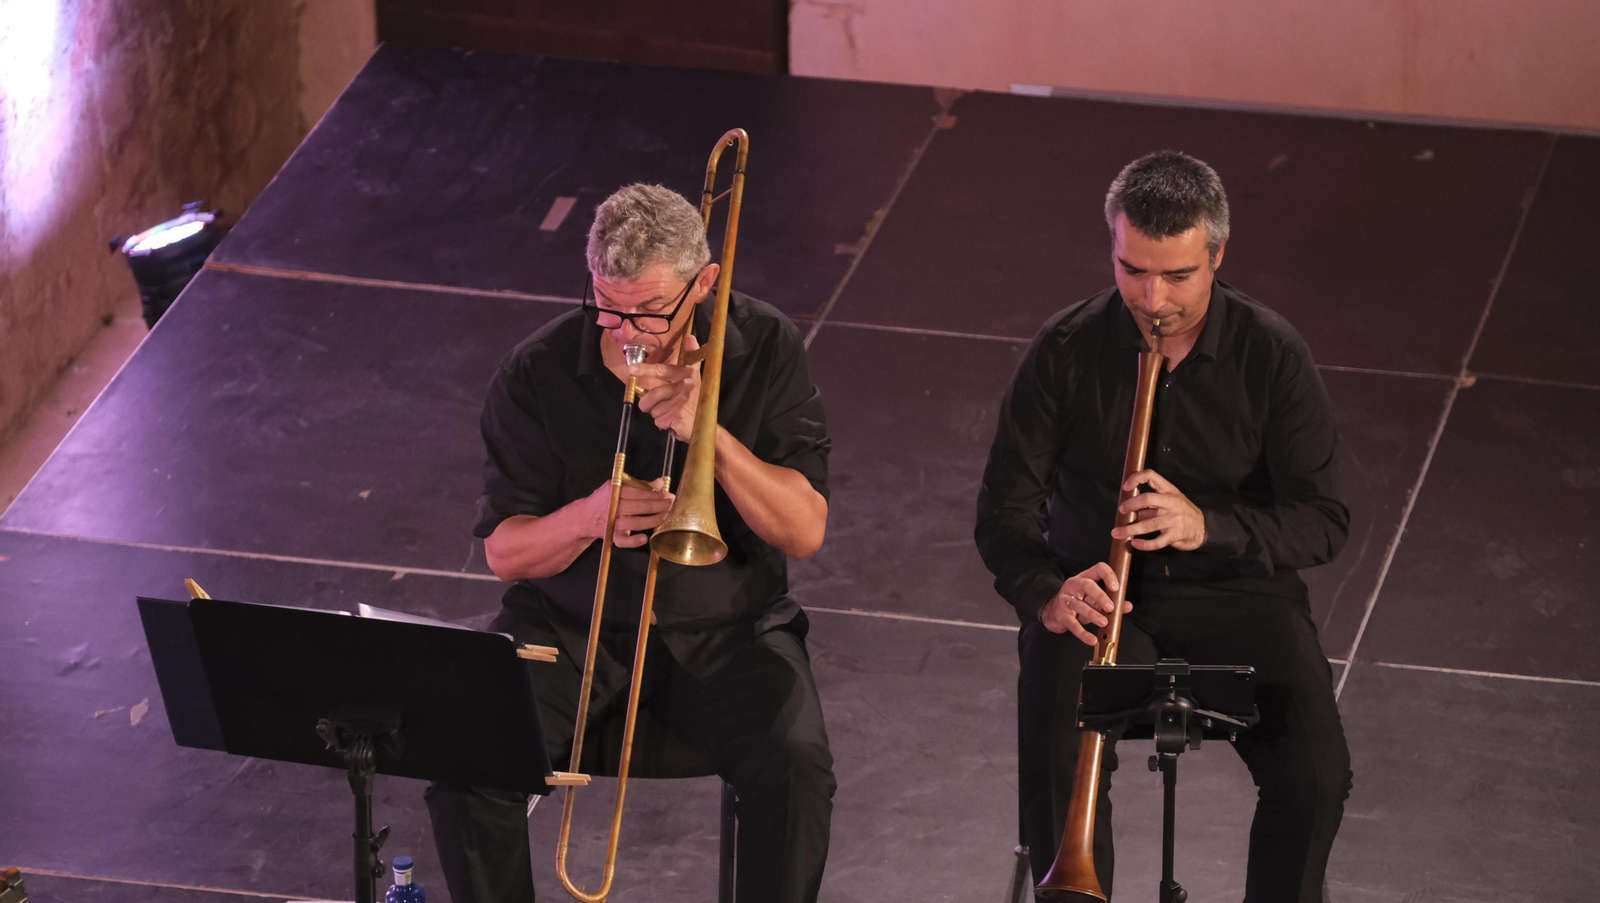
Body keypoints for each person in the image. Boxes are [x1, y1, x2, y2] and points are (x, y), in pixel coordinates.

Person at [427, 183, 835, 903]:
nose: (627, 331)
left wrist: (709, 429)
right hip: (568, 632)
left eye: (649, 309)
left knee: (796, 766)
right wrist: (586, 518)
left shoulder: (765, 343)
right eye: (608, 307)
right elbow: (503, 553)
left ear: (704, 283)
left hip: (727, 630)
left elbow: (804, 530)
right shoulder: (538, 370)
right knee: (466, 766)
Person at [975, 151, 1352, 903]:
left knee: (1315, 776)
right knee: (1057, 766)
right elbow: (1003, 511)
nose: (1153, 298)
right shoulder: (1065, 349)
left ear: (1217, 254)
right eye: (1133, 270)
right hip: (1100, 590)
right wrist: (1048, 592)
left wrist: (1204, 524)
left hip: (1241, 593)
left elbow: (1322, 520)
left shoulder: (1271, 354)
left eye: (1178, 276)